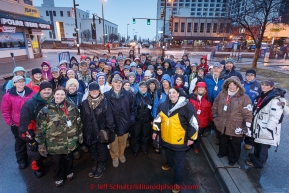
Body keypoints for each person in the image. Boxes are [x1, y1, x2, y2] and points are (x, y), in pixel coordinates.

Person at [152, 87, 198, 193]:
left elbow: (193, 123)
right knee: (168, 154)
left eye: (174, 92)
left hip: (180, 141)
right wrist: (155, 131)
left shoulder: (186, 106)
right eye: (170, 93)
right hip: (166, 138)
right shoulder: (162, 106)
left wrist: (192, 138)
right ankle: (169, 163)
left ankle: (177, 182)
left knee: (179, 163)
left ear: (178, 94)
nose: (171, 94)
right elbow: (157, 119)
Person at [35, 87, 83, 187]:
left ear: (65, 96)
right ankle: (58, 177)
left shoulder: (72, 107)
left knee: (69, 159)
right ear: (54, 95)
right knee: (56, 161)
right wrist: (41, 144)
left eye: (62, 94)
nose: (59, 96)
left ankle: (69, 172)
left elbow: (78, 121)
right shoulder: (45, 110)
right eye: (57, 94)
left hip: (70, 140)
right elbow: (40, 129)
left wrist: (80, 134)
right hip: (54, 143)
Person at [245, 80, 289, 168]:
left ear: (272, 87)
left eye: (267, 85)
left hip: (265, 128)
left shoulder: (275, 100)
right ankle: (256, 157)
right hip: (259, 125)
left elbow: (275, 116)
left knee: (262, 146)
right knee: (258, 143)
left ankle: (258, 163)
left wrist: (268, 129)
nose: (263, 86)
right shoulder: (263, 95)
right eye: (262, 84)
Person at [212, 76, 252, 166]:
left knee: (235, 143)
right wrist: (215, 115)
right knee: (223, 140)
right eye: (230, 84)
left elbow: (248, 113)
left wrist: (246, 126)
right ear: (227, 85)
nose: (232, 86)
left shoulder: (245, 97)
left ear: (238, 85)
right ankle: (222, 152)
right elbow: (215, 103)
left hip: (236, 125)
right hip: (222, 123)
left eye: (234, 84)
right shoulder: (222, 94)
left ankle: (233, 158)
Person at [19, 82, 53, 177]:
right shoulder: (30, 104)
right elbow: (24, 123)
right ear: (40, 90)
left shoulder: (54, 100)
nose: (47, 91)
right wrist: (30, 139)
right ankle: (37, 168)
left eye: (49, 89)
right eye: (44, 89)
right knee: (35, 153)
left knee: (51, 151)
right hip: (35, 133)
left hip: (50, 132)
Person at [81, 82, 115, 178]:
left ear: (99, 91)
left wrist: (110, 130)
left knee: (101, 150)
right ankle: (95, 164)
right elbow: (83, 118)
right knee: (92, 150)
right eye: (92, 90)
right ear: (89, 92)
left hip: (101, 132)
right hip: (89, 132)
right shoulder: (84, 103)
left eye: (96, 90)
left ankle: (101, 165)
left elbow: (109, 118)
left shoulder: (105, 102)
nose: (94, 92)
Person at [2, 76, 35, 169]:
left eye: (22, 81)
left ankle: (35, 161)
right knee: (20, 142)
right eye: (18, 82)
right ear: (14, 83)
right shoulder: (8, 96)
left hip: (30, 122)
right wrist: (10, 122)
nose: (21, 83)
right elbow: (5, 110)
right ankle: (22, 160)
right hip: (17, 124)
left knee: (31, 140)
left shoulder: (32, 93)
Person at [104, 77, 136, 168]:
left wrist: (131, 119)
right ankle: (115, 156)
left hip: (125, 122)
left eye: (120, 82)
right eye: (116, 82)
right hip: (111, 123)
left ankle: (121, 154)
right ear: (112, 84)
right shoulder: (106, 95)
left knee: (123, 141)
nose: (118, 84)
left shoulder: (128, 94)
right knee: (113, 142)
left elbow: (133, 108)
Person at [189, 82, 213, 153]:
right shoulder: (191, 97)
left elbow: (210, 111)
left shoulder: (209, 99)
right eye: (199, 87)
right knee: (190, 133)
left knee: (198, 136)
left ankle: (196, 146)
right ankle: (189, 145)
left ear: (205, 89)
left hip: (202, 122)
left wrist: (212, 120)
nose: (201, 89)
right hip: (192, 121)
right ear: (197, 88)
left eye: (202, 87)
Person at [66, 78, 87, 158]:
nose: (72, 87)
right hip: (70, 118)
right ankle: (75, 149)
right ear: (68, 87)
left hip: (80, 116)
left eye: (74, 86)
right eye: (71, 86)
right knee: (72, 133)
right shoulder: (65, 96)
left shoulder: (80, 94)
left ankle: (82, 144)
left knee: (80, 130)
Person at [241, 69, 262, 150]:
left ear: (254, 76)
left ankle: (249, 141)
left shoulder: (259, 85)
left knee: (249, 125)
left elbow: (261, 97)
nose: (249, 77)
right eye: (248, 75)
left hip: (252, 109)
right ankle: (238, 137)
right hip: (241, 108)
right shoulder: (241, 83)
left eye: (251, 75)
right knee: (240, 123)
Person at [131, 81, 153, 157]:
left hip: (147, 120)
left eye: (145, 87)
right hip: (137, 120)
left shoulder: (149, 95)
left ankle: (144, 148)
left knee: (145, 135)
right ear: (139, 88)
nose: (143, 89)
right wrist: (133, 118)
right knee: (136, 135)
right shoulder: (135, 95)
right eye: (141, 87)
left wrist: (151, 119)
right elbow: (132, 108)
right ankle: (135, 149)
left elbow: (152, 107)